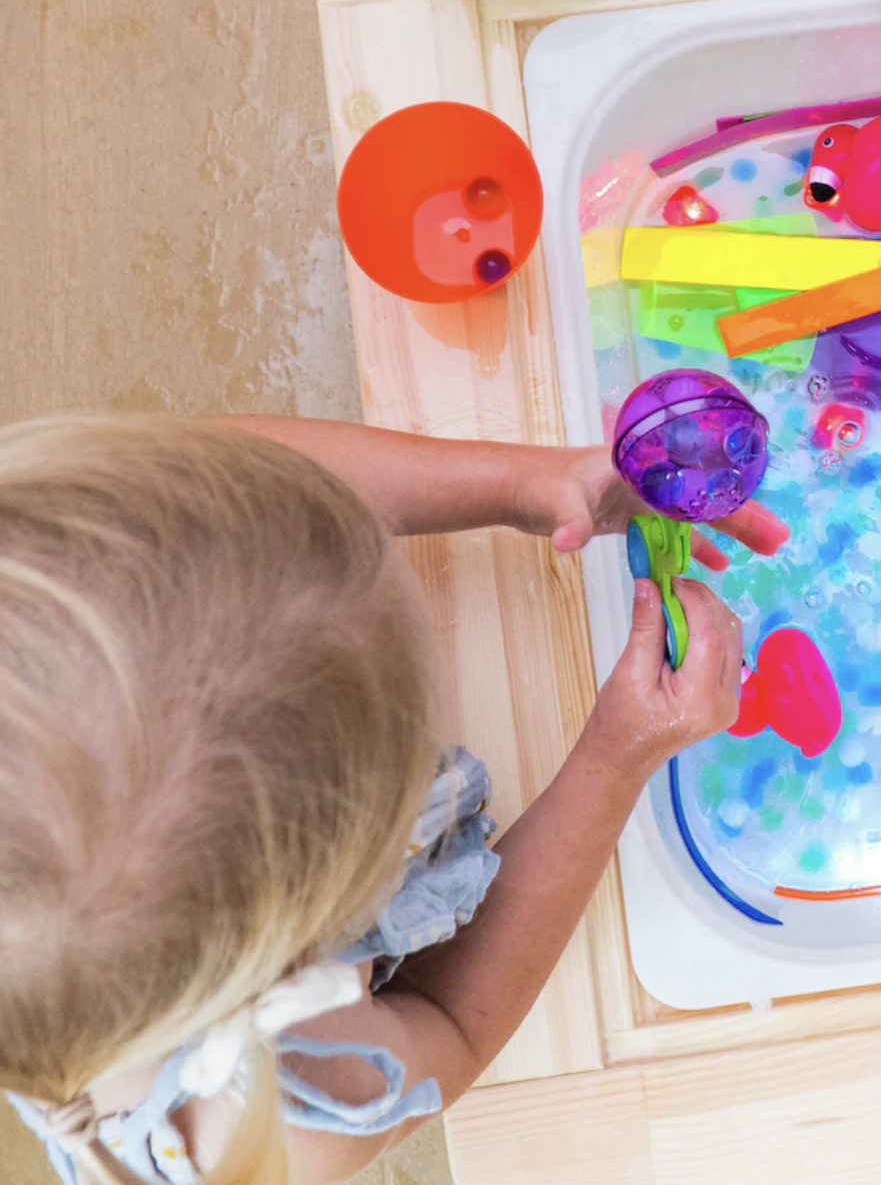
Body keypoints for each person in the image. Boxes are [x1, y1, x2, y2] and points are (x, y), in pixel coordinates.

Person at [0, 414, 787, 1185]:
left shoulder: (52, 555)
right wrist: (618, 757)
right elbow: (450, 1022)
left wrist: (522, 483)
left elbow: (230, 472)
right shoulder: (296, 1106)